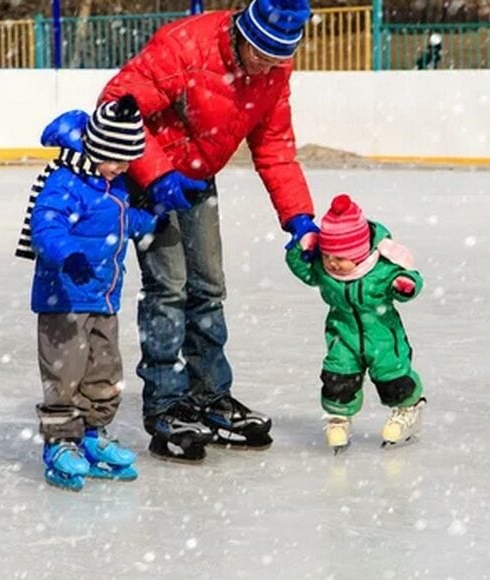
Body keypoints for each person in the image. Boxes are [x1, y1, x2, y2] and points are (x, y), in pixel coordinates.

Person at [97, 0, 319, 463]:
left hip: (197, 178)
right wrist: (157, 175)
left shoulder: (274, 70)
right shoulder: (186, 46)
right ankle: (166, 404)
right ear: (242, 30)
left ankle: (209, 395)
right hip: (147, 174)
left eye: (277, 57)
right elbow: (117, 104)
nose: (264, 65)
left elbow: (275, 145)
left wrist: (298, 217)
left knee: (209, 286)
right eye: (258, 52)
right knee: (170, 288)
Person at [27, 96, 188, 491]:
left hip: (103, 298)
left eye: (126, 162)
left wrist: (151, 221)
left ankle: (92, 435)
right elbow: (45, 226)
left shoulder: (111, 185)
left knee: (104, 371)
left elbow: (120, 218)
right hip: (64, 298)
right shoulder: (65, 181)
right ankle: (61, 443)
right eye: (114, 160)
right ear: (97, 148)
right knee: (64, 373)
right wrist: (69, 256)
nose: (120, 169)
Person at [284, 194, 427, 452]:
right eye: (328, 257)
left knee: (392, 377)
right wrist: (300, 247)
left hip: (383, 337)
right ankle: (338, 418)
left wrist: (405, 286)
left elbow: (409, 278)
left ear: (360, 254)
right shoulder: (325, 270)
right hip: (342, 334)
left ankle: (409, 409)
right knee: (338, 377)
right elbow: (304, 270)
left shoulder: (381, 270)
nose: (332, 264)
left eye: (340, 258)